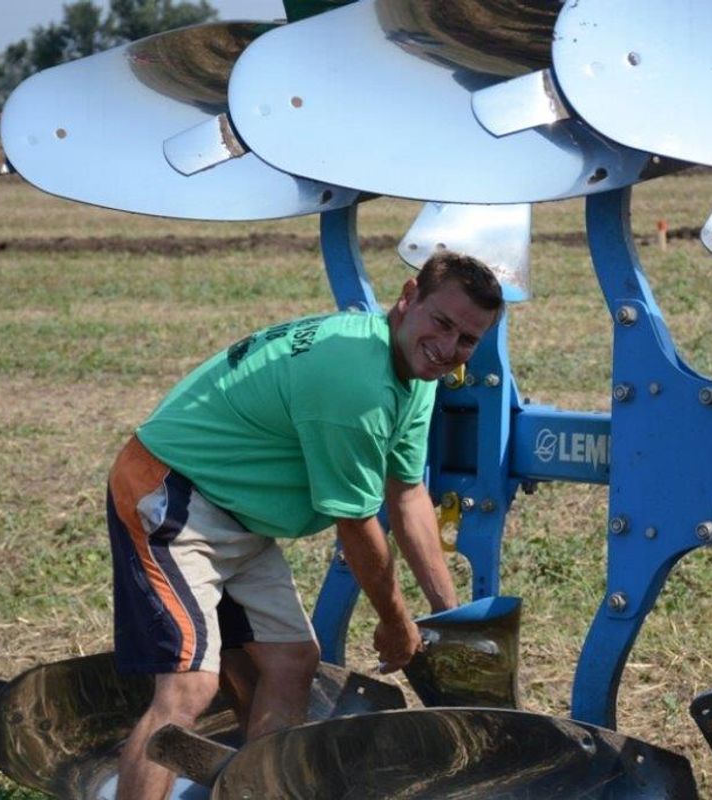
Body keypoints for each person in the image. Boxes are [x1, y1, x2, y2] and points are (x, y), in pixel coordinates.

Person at [105, 251, 504, 799]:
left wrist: (448, 617)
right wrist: (395, 623)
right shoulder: (355, 386)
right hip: (173, 496)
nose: (448, 347)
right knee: (188, 688)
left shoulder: (417, 370)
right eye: (442, 322)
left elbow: (408, 492)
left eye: (466, 340)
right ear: (408, 297)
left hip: (236, 515)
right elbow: (356, 523)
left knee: (292, 662)